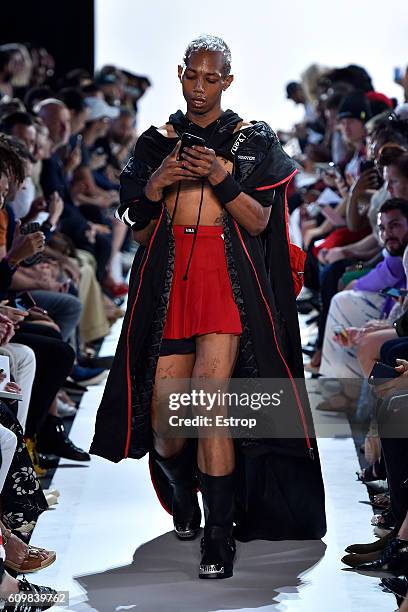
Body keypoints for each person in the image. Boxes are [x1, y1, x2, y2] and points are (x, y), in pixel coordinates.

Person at [91, 35, 326, 579]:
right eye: (191, 76)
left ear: (227, 80)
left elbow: (261, 221)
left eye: (210, 78)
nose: (199, 88)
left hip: (225, 282)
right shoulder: (155, 143)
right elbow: (142, 231)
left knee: (209, 404)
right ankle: (184, 499)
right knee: (167, 423)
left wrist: (219, 175)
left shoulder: (252, 139)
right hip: (172, 283)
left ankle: (219, 539)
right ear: (179, 74)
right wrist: (156, 184)